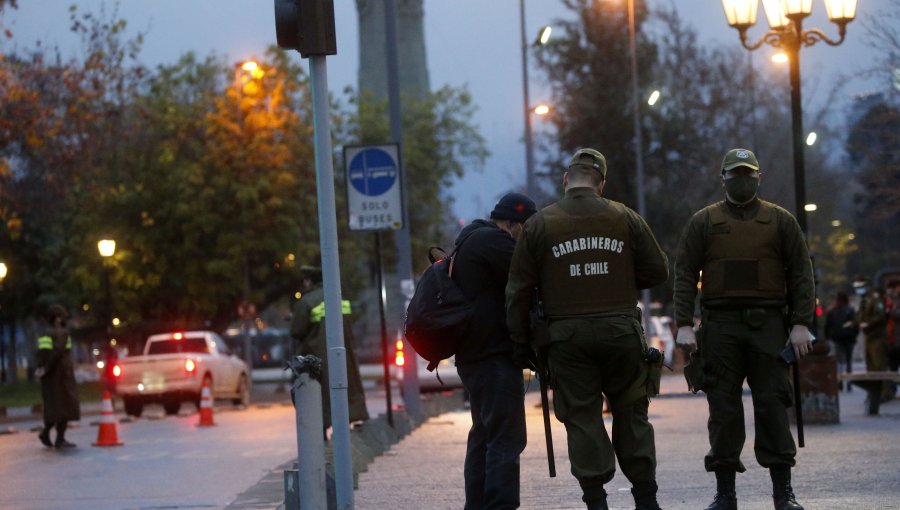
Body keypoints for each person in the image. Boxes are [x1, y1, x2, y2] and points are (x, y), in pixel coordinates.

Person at [506, 148, 669, 510]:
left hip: (566, 338)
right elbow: (658, 271)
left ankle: (596, 501)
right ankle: (646, 500)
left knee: (582, 417)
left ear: (567, 180)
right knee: (631, 412)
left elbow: (517, 289)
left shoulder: (540, 224)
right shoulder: (624, 216)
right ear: (601, 183)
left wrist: (520, 342)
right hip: (621, 333)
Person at [673, 148, 815, 510]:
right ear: (722, 179)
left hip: (768, 324)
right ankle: (725, 494)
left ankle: (783, 493)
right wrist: (684, 323)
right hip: (720, 328)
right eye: (734, 174)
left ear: (759, 177)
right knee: (723, 410)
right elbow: (685, 272)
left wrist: (800, 323)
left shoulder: (780, 221)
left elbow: (801, 271)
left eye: (747, 173)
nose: (741, 179)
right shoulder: (703, 222)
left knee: (772, 404)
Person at [452, 192, 537, 510]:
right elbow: (530, 274)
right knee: (506, 436)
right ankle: (499, 506)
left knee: (485, 435)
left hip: (475, 355)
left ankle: (477, 505)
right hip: (493, 355)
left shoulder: (472, 238)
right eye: (525, 230)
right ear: (513, 224)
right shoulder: (493, 242)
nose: (524, 238)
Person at [290, 265, 369, 433]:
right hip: (344, 355)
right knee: (345, 387)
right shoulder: (341, 298)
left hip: (316, 357)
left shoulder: (307, 301)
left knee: (317, 395)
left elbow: (297, 331)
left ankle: (322, 439)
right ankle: (346, 428)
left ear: (308, 281)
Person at [34, 304, 80, 449]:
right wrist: (47, 369)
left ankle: (46, 432)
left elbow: (42, 353)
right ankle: (60, 438)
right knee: (65, 406)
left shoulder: (44, 334)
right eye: (63, 316)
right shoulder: (62, 333)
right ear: (58, 318)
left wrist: (42, 369)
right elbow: (58, 352)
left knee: (53, 406)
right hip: (61, 376)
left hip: (49, 377)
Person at [856, 277, 891, 401]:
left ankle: (885, 392)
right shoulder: (864, 300)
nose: (858, 290)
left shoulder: (874, 298)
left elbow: (880, 316)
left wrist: (868, 323)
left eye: (860, 287)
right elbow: (860, 316)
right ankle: (874, 393)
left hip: (877, 336)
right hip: (868, 336)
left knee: (879, 365)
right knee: (870, 366)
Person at [824, 291, 858, 385]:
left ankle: (840, 380)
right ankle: (849, 382)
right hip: (849, 338)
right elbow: (856, 324)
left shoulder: (832, 311)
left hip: (837, 338)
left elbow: (827, 325)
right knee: (848, 359)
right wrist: (854, 335)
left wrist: (827, 337)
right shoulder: (850, 310)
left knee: (839, 360)